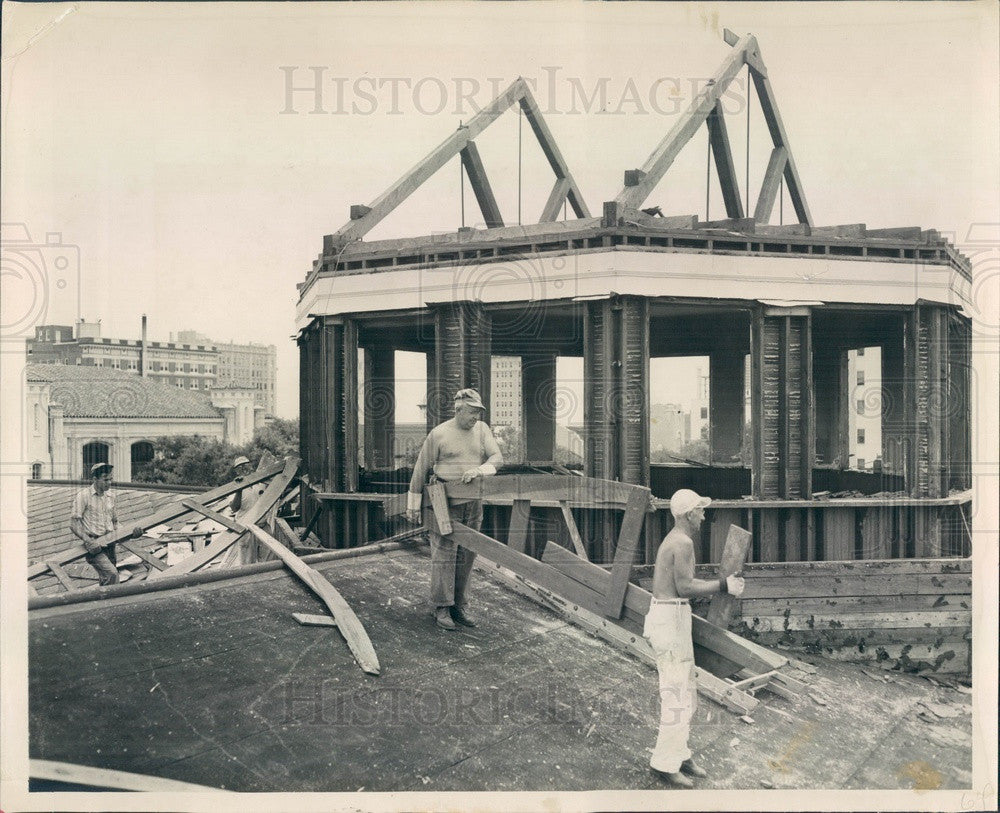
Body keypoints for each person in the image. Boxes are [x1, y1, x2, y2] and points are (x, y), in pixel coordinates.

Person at [645, 488, 745, 787]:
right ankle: (664, 763)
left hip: (672, 616)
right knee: (676, 694)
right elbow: (686, 587)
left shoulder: (677, 540)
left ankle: (679, 753)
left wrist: (720, 584)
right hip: (669, 618)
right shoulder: (683, 542)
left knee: (686, 692)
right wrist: (725, 585)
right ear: (689, 514)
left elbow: (685, 584)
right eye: (700, 510)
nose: (704, 515)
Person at [406, 388, 503, 631]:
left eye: (479, 412)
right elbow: (420, 469)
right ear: (459, 410)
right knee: (444, 552)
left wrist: (480, 470)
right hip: (443, 499)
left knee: (468, 553)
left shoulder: (482, 430)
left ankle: (459, 604)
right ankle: (441, 606)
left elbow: (497, 459)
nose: (476, 417)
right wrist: (413, 504)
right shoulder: (439, 434)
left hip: (473, 501)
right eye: (472, 412)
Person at [69, 463, 123, 585]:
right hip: (95, 546)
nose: (109, 482)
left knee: (107, 580)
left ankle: (105, 603)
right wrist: (89, 541)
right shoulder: (83, 496)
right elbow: (74, 523)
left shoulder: (110, 496)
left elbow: (115, 522)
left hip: (110, 545)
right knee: (112, 574)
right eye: (105, 479)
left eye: (110, 479)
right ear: (95, 479)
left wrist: (129, 532)